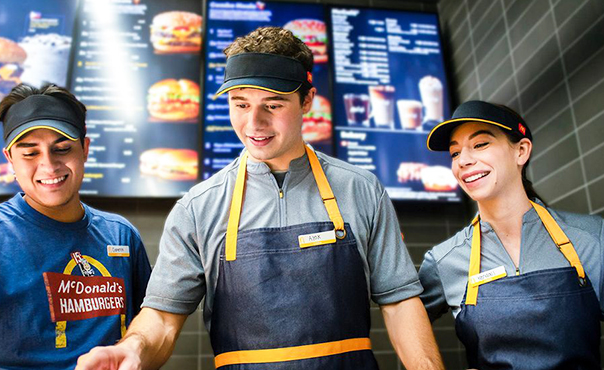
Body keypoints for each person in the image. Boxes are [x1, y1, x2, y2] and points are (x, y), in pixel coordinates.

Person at [76, 27, 444, 370]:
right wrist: (133, 347)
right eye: (240, 104)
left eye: (273, 104)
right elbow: (162, 317)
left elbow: (399, 302)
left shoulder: (361, 189)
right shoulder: (197, 207)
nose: (254, 124)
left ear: (307, 101)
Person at [0, 84, 152, 369]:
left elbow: (149, 326)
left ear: (85, 149)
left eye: (62, 149)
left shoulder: (120, 234)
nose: (49, 166)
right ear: (10, 160)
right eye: (30, 153)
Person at [419, 100, 603, 369]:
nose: (464, 161)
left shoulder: (590, 237)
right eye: (455, 153)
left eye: (480, 144)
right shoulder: (444, 260)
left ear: (521, 151)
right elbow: (403, 316)